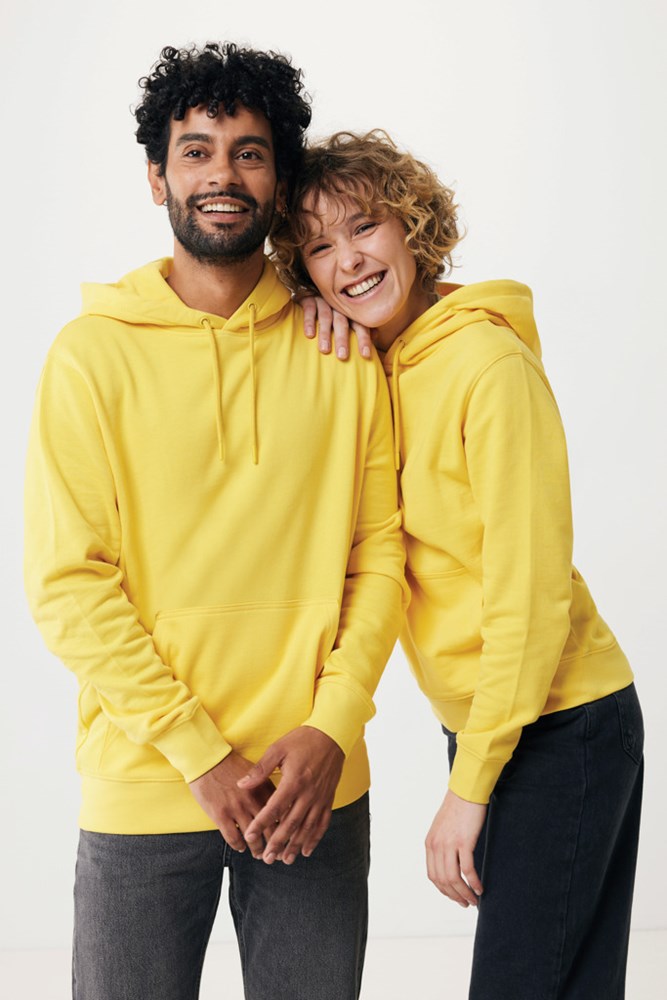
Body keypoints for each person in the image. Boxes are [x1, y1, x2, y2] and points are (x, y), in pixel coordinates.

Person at [24, 50, 406, 1000]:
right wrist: (198, 754)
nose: (221, 174)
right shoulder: (90, 357)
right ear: (157, 176)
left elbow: (379, 555)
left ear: (279, 181)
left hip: (312, 785)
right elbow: (68, 585)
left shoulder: (340, 349)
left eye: (249, 153)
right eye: (195, 151)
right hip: (147, 782)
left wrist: (332, 726)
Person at [270, 129, 644, 1000]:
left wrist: (469, 789)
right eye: (318, 247)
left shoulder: (487, 365)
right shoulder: (373, 367)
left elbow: (529, 595)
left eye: (364, 227)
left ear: (412, 226)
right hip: (497, 721)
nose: (347, 260)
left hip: (558, 721)